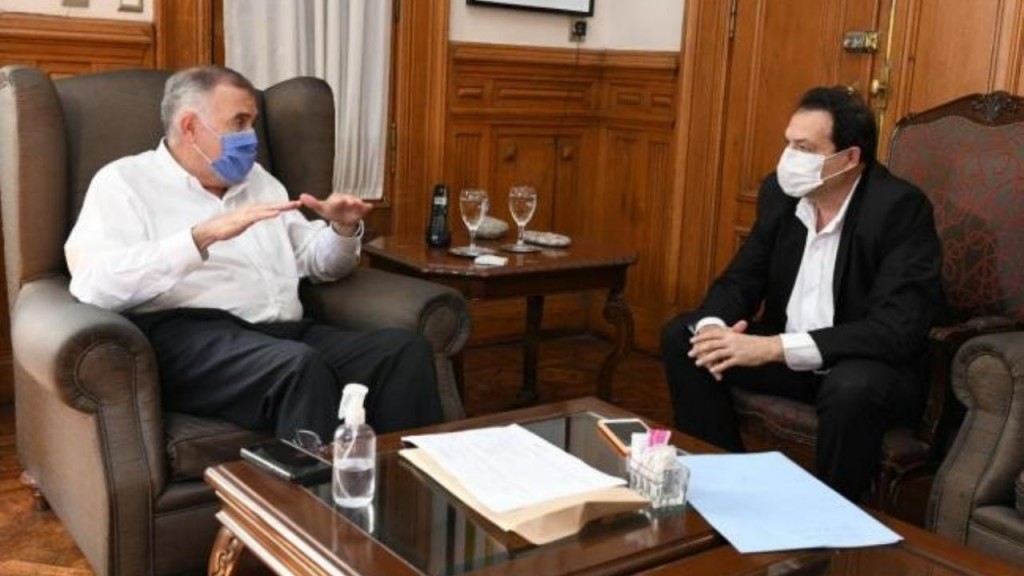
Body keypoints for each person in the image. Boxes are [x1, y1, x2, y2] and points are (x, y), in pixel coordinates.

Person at [65, 66, 444, 442]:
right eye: (239, 122)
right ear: (190, 127)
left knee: (402, 352)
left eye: (253, 124)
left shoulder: (260, 182)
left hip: (280, 332)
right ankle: (314, 486)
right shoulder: (125, 182)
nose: (251, 138)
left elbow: (317, 263)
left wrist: (342, 229)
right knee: (298, 367)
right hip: (188, 337)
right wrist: (199, 237)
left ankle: (403, 479)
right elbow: (94, 285)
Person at [660, 86, 945, 501]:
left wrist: (772, 348)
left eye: (805, 148)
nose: (789, 158)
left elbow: (894, 330)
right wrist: (712, 329)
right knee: (683, 337)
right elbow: (741, 279)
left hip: (865, 366)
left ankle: (829, 517)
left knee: (850, 388)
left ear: (849, 157)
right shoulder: (780, 193)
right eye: (789, 143)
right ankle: (727, 487)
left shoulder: (898, 208)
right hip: (791, 359)